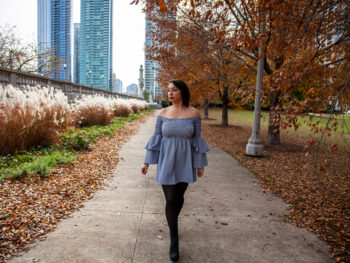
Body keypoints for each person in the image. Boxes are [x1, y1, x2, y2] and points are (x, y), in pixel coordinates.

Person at [140, 80, 209, 262]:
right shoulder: (162, 113)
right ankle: (174, 239)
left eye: (174, 90)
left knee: (178, 197)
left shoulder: (194, 113)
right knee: (170, 198)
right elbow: (156, 138)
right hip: (166, 160)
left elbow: (197, 140)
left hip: (185, 161)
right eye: (168, 90)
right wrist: (147, 162)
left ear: (182, 92)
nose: (170, 93)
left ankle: (172, 225)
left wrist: (199, 164)